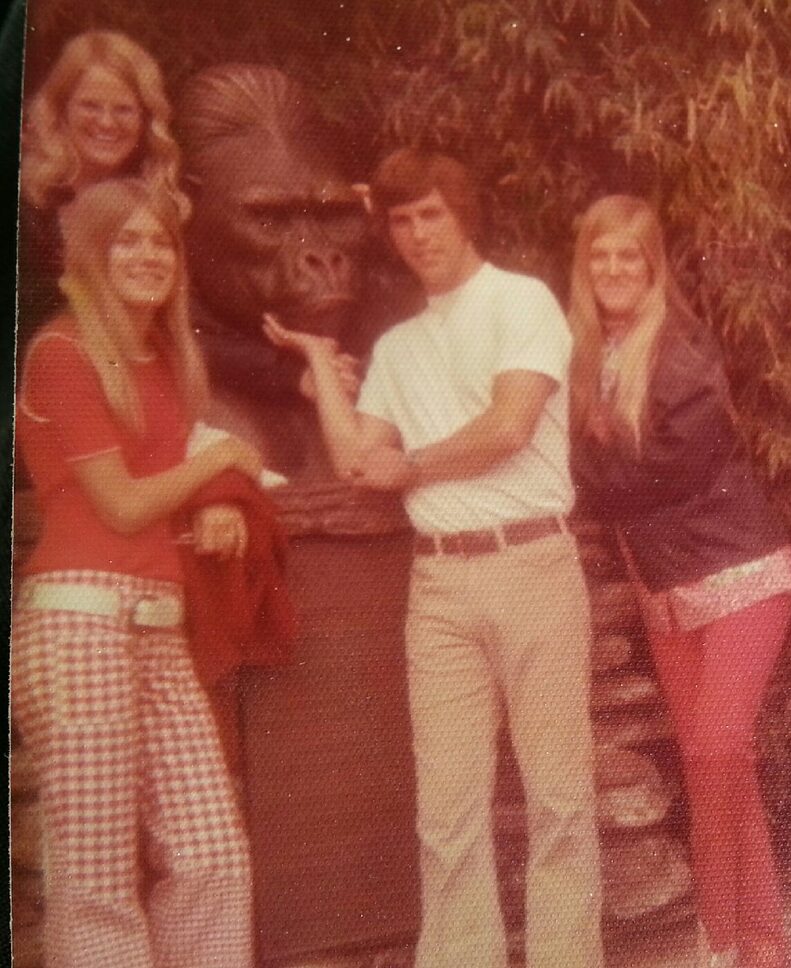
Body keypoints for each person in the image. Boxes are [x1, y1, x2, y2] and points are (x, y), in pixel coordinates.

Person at [263, 148, 604, 968]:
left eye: (432, 214)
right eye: (403, 219)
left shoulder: (521, 302)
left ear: (463, 215)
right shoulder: (398, 346)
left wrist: (411, 466)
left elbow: (509, 426)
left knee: (559, 799)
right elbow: (356, 457)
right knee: (448, 812)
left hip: (530, 566)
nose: (419, 234)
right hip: (441, 582)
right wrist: (317, 365)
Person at [12, 177, 262, 968]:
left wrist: (220, 494)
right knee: (95, 877)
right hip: (80, 623)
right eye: (128, 239)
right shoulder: (61, 352)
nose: (149, 254)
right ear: (89, 254)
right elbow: (120, 504)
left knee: (211, 854)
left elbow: (184, 469)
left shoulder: (162, 364)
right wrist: (221, 459)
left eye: (161, 240)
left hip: (158, 626)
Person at [568, 194, 791, 968]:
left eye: (629, 255)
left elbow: (664, 469)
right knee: (721, 771)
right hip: (665, 594)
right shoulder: (581, 355)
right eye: (600, 255)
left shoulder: (683, 346)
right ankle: (760, 944)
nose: (613, 269)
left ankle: (717, 943)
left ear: (653, 265)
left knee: (712, 749)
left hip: (739, 574)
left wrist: (581, 468)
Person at [18, 29, 187, 352]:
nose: (107, 123)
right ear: (60, 111)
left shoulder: (161, 203)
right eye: (90, 106)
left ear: (146, 119)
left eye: (123, 109)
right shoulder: (26, 211)